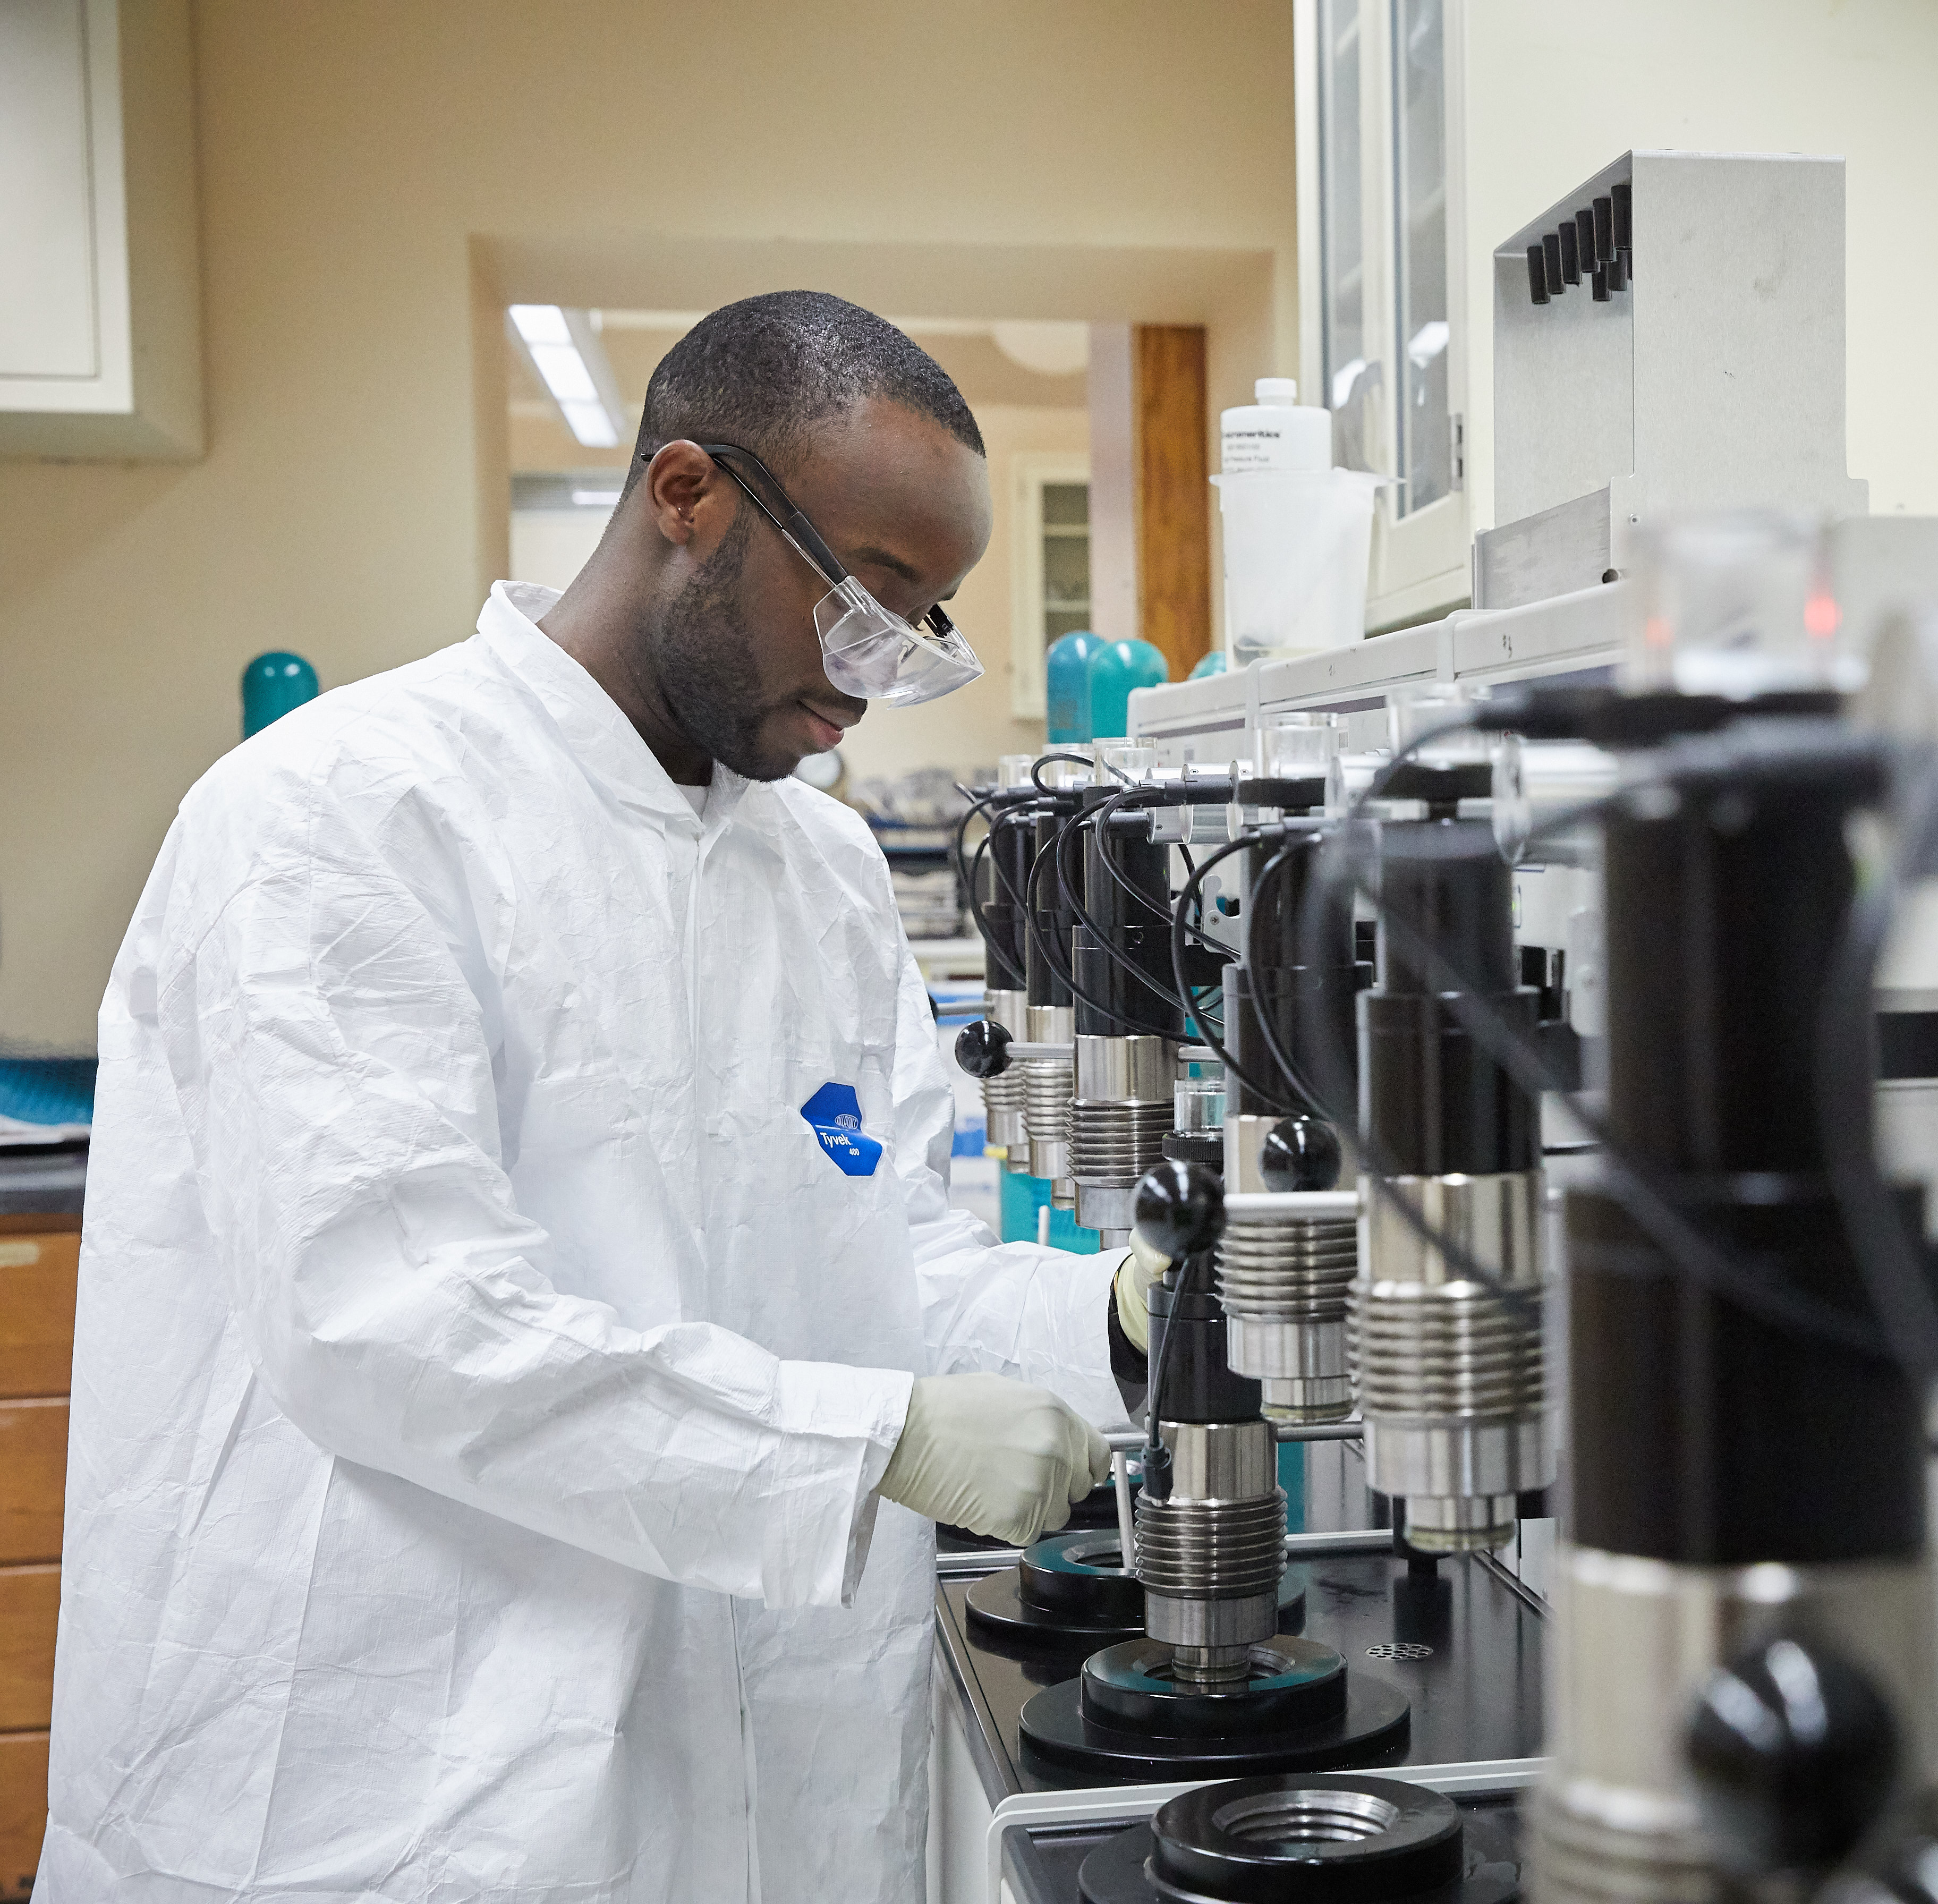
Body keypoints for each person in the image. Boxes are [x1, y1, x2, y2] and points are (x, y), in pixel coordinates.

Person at [41, 292, 1161, 1901]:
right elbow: (399, 1322)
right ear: (686, 495)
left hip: (773, 1767)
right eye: (865, 604)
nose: (877, 680)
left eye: (926, 632)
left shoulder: (825, 871)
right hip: (421, 1794)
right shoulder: (341, 819)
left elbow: (884, 1264)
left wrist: (1115, 1316)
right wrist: (866, 1442)